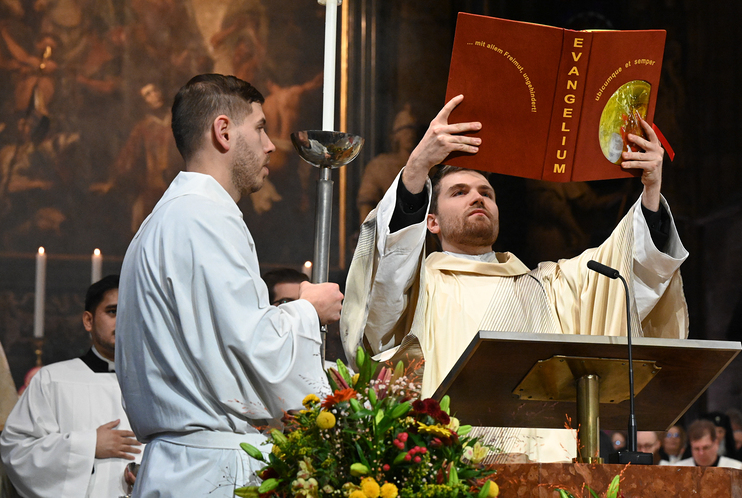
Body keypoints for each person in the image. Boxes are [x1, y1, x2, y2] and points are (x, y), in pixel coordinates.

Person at [341, 94, 688, 461]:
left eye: (486, 193)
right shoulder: (418, 287)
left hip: (544, 475)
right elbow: (384, 285)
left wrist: (651, 188)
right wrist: (417, 168)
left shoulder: (547, 287)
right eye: (460, 192)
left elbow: (626, 268)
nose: (477, 198)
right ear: (432, 221)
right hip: (451, 473)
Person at [116, 74, 344, 497]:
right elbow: (251, 348)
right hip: (212, 471)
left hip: (183, 465)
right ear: (223, 131)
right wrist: (308, 308)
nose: (270, 145)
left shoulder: (167, 217)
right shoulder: (203, 217)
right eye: (260, 128)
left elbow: (216, 344)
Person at [1, 275, 142, 498]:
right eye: (113, 311)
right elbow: (18, 451)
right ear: (88, 320)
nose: (122, 321)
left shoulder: (158, 384)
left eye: (130, 313)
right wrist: (88, 446)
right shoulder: (52, 380)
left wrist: (154, 475)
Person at [670, 420, 742, 469]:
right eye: (696, 449)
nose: (701, 453)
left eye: (706, 448)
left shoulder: (736, 468)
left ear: (716, 443)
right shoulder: (679, 469)